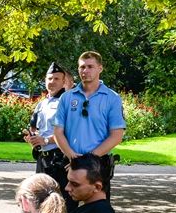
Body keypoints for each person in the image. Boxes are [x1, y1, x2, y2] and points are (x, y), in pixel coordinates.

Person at [53, 51, 126, 196]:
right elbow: (57, 132)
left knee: (98, 212)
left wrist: (88, 160)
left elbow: (116, 136)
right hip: (70, 164)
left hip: (98, 165)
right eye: (82, 67)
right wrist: (73, 157)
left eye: (90, 66)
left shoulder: (112, 98)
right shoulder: (66, 98)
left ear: (100, 68)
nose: (85, 71)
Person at [24, 62, 74, 207]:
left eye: (56, 79)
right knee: (41, 200)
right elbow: (34, 126)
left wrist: (45, 140)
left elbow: (69, 132)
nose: (52, 82)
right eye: (49, 78)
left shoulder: (67, 103)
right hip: (43, 159)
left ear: (64, 82)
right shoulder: (42, 104)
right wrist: (32, 136)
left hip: (59, 158)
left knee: (62, 202)